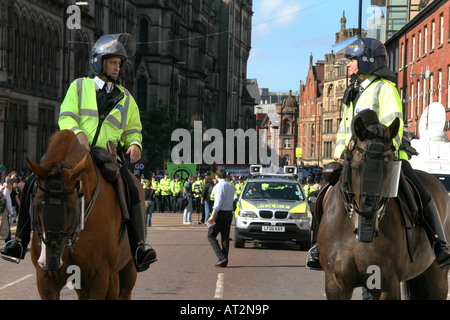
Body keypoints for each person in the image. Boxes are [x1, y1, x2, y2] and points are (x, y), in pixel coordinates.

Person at [1, 33, 157, 272]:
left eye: (119, 63)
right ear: (99, 62)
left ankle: (139, 246)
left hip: (106, 156)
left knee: (132, 186)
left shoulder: (126, 98)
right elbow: (66, 115)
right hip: (73, 154)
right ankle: (19, 241)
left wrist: (135, 144)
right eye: (113, 62)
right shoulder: (79, 86)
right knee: (34, 181)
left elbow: (134, 128)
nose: (117, 67)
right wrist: (77, 132)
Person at [306, 36, 450, 270]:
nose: (349, 64)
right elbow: (346, 126)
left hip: (385, 158)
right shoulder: (355, 90)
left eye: (352, 59)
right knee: (322, 195)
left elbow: (393, 122)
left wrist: (379, 148)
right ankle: (317, 246)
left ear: (367, 61)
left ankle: (439, 243)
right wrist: (340, 152)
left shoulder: (385, 88)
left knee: (420, 195)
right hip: (354, 157)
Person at [207, 169, 234, 267]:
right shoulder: (231, 185)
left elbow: (217, 203)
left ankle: (221, 257)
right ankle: (224, 259)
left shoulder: (219, 186)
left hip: (220, 213)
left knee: (211, 235)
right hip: (229, 213)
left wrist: (212, 216)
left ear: (217, 176)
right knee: (225, 238)